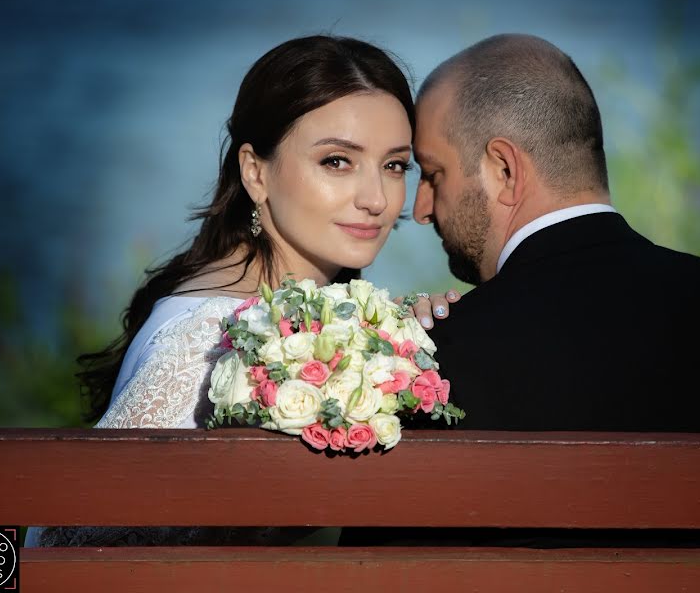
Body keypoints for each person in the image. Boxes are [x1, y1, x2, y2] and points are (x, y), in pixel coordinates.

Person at [342, 34, 700, 549]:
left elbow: (377, 560)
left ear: (504, 170)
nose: (421, 208)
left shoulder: (437, 354)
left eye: (433, 175)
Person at [25, 34, 452, 547]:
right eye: (337, 161)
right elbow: (62, 541)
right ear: (255, 172)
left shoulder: (283, 309)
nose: (377, 199)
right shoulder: (208, 334)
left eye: (394, 165)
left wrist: (411, 351)